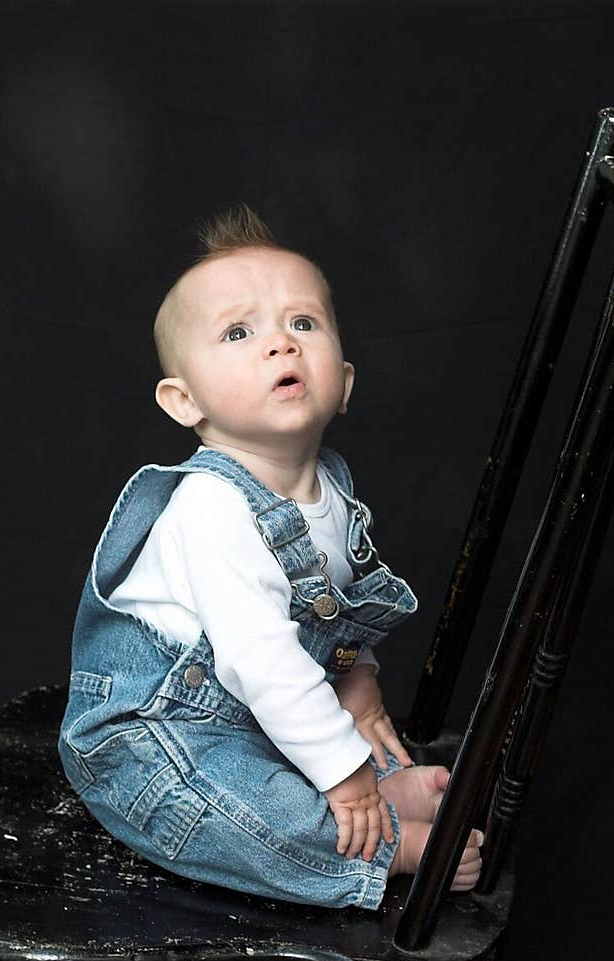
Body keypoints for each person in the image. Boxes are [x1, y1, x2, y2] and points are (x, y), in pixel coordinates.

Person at [58, 204, 482, 910]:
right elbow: (263, 661)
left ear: (343, 382)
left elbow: (333, 615)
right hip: (151, 738)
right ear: (182, 399)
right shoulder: (211, 508)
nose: (281, 345)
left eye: (303, 324)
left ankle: (377, 797)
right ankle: (393, 844)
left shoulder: (332, 493)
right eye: (239, 331)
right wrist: (347, 772)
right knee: (237, 815)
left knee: (281, 759)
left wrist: (358, 678)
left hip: (254, 718)